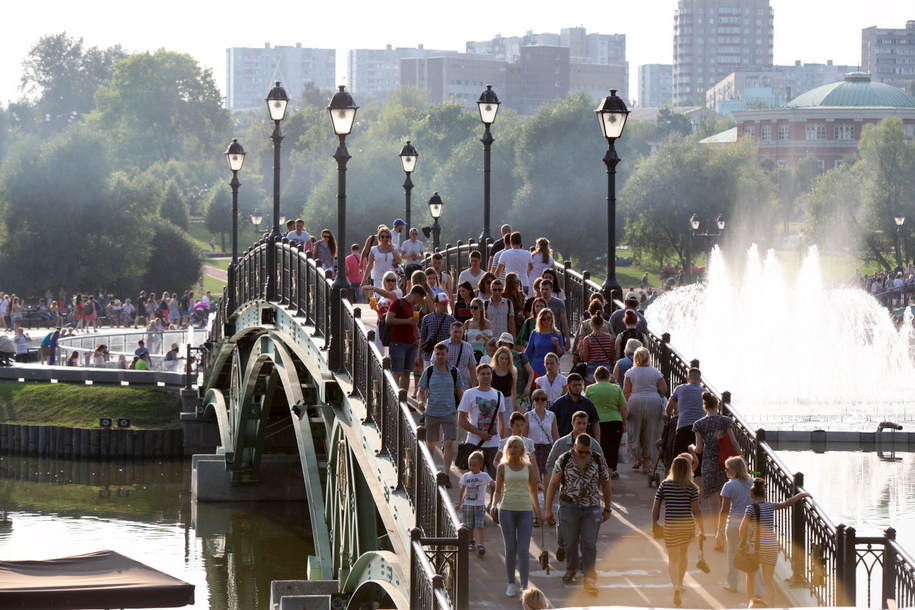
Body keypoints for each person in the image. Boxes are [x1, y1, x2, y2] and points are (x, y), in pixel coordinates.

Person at [544, 432, 612, 595]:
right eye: (580, 451)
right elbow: (553, 484)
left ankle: (589, 577)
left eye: (586, 452)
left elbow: (606, 484)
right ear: (574, 446)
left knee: (589, 543)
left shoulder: (597, 459)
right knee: (570, 542)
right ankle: (572, 567)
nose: (583, 455)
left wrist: (608, 508)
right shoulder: (564, 459)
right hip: (569, 507)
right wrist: (547, 509)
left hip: (591, 507)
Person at [739, 478, 811, 607]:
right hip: (772, 546)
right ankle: (771, 606)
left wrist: (745, 542)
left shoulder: (750, 509)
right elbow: (788, 503)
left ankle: (749, 602)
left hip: (757, 547)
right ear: (765, 495)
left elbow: (742, 528)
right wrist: (801, 494)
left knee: (751, 575)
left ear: (751, 496)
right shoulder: (771, 505)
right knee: (768, 580)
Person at [652, 454, 705, 607]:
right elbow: (697, 510)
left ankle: (675, 585)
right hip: (687, 525)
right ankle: (681, 583)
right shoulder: (691, 487)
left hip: (670, 526)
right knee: (683, 555)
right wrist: (702, 529)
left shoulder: (665, 485)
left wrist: (654, 524)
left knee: (673, 559)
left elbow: (656, 507)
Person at [491, 435, 541, 598]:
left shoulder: (528, 467)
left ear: (521, 450)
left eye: (515, 447)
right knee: (511, 548)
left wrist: (538, 513)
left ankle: (524, 586)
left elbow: (533, 490)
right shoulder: (502, 467)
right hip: (507, 509)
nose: (512, 450)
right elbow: (498, 490)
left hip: (525, 510)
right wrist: (493, 505)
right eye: (510, 447)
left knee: (523, 549)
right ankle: (511, 583)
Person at [418, 342, 465, 484]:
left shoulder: (454, 372)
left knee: (449, 442)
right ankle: (430, 471)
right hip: (432, 411)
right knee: (431, 443)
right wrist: (421, 402)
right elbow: (421, 392)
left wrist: (463, 409)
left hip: (449, 411)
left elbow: (459, 392)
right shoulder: (429, 371)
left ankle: (445, 475)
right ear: (434, 355)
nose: (440, 356)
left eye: (443, 353)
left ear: (447, 354)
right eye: (437, 354)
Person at [692, 391, 740, 522]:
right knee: (725, 501)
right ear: (717, 406)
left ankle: (716, 535)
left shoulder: (698, 424)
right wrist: (741, 457)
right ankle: (725, 531)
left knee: (713, 504)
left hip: (709, 465)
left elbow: (699, 450)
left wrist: (691, 448)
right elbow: (734, 442)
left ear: (704, 406)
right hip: (726, 464)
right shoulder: (726, 421)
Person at [718, 456, 762, 595]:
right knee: (754, 555)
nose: (725, 471)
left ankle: (733, 584)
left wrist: (719, 529)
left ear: (734, 469)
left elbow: (724, 510)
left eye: (727, 468)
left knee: (732, 553)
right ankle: (758, 590)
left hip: (734, 524)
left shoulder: (729, 485)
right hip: (751, 524)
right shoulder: (754, 483)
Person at [458, 363, 510, 478]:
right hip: (475, 443)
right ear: (477, 376)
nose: (486, 376)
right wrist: (479, 433)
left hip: (494, 444)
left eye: (488, 373)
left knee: (496, 480)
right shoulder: (469, 394)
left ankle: (494, 497)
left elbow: (501, 421)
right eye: (483, 374)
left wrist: (502, 443)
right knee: (475, 480)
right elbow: (461, 420)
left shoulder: (499, 394)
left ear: (491, 375)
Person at [623, 347, 667, 474]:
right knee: (651, 431)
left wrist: (623, 405)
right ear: (648, 358)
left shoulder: (630, 372)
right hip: (653, 401)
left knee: (634, 430)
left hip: (635, 402)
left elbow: (626, 391)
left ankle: (637, 457)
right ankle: (647, 464)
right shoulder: (655, 372)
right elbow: (663, 389)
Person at [585, 366, 628, 479]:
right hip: (614, 421)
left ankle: (598, 472)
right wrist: (624, 422)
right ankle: (608, 475)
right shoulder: (617, 389)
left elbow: (586, 407)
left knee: (598, 447)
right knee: (612, 450)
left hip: (596, 423)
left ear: (595, 377)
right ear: (608, 377)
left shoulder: (589, 389)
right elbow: (623, 408)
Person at [385, 285, 427, 392]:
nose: (420, 302)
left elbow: (413, 324)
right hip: (398, 342)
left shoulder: (412, 307)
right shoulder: (398, 303)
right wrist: (407, 321)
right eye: (420, 299)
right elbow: (388, 319)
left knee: (407, 372)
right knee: (397, 372)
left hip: (411, 343)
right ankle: (393, 398)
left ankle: (402, 399)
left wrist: (418, 338)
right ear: (416, 296)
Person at [666, 368, 709, 465]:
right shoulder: (705, 391)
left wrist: (669, 417)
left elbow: (668, 409)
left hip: (683, 427)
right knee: (698, 460)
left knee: (679, 458)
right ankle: (696, 477)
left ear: (687, 379)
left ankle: (678, 476)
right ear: (700, 381)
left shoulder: (680, 389)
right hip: (699, 430)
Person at [456, 451, 494, 557]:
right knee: (469, 526)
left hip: (479, 505)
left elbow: (492, 483)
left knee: (479, 525)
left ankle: (481, 544)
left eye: (474, 465)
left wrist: (495, 485)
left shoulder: (484, 476)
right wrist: (460, 503)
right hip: (468, 504)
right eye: (470, 465)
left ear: (480, 465)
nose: (471, 467)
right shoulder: (466, 476)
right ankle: (471, 541)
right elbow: (463, 490)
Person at [549, 373, 600, 440]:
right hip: (563, 442)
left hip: (583, 442)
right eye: (575, 385)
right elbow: (550, 424)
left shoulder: (588, 403)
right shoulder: (559, 403)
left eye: (580, 385)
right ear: (568, 385)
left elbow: (595, 423)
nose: (578, 387)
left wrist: (597, 443)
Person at [524, 389, 558, 483]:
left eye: (542, 399)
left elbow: (555, 435)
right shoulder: (528, 415)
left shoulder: (551, 415)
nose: (539, 401)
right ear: (533, 400)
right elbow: (524, 437)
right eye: (537, 399)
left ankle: (547, 498)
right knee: (534, 481)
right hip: (533, 449)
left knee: (548, 480)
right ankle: (536, 498)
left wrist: (558, 452)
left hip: (548, 448)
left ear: (546, 401)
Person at [364, 270, 402, 354]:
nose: (391, 282)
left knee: (392, 350)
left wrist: (373, 288)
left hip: (392, 324)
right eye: (388, 280)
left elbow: (389, 295)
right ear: (384, 281)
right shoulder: (382, 296)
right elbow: (380, 311)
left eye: (393, 280)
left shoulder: (398, 292)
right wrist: (375, 307)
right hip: (381, 324)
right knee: (378, 350)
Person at [495, 332, 533, 409]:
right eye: (502, 344)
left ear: (510, 345)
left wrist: (528, 386)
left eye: (506, 344)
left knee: (521, 418)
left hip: (521, 392)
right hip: (505, 394)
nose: (504, 346)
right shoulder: (498, 357)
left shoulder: (520, 356)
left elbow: (531, 372)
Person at [523, 308, 564, 377]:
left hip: (552, 365)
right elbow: (528, 352)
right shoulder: (535, 333)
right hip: (537, 365)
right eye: (543, 319)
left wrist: (557, 345)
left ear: (552, 319)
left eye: (548, 318)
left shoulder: (557, 333)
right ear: (540, 320)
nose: (546, 321)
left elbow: (560, 354)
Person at [419, 293, 455, 368]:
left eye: (446, 304)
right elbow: (422, 337)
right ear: (436, 305)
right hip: (429, 353)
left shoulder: (451, 319)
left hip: (445, 355)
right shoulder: (427, 318)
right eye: (442, 304)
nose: (445, 306)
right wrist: (418, 355)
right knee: (429, 376)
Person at [579, 315, 616, 384]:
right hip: (606, 366)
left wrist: (580, 350)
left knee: (590, 390)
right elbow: (611, 355)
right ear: (603, 325)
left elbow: (586, 358)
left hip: (592, 366)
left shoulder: (587, 339)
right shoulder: (609, 337)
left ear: (591, 324)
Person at [445, 322, 477, 389]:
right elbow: (434, 365)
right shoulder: (443, 345)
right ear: (450, 331)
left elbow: (472, 368)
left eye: (460, 332)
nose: (458, 335)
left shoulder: (468, 347)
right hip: (446, 385)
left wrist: (475, 387)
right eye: (455, 332)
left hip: (463, 385)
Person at [537, 280, 569, 347]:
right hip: (540, 334)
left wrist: (567, 339)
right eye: (542, 289)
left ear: (551, 289)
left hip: (554, 335)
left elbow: (564, 321)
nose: (544, 291)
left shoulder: (558, 303)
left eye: (547, 289)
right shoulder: (537, 303)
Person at [464, 297, 493, 362]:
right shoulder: (467, 323)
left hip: (481, 351)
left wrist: (483, 336)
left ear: (480, 308)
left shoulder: (486, 323)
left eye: (475, 307)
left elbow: (491, 342)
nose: (472, 309)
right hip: (468, 351)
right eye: (471, 307)